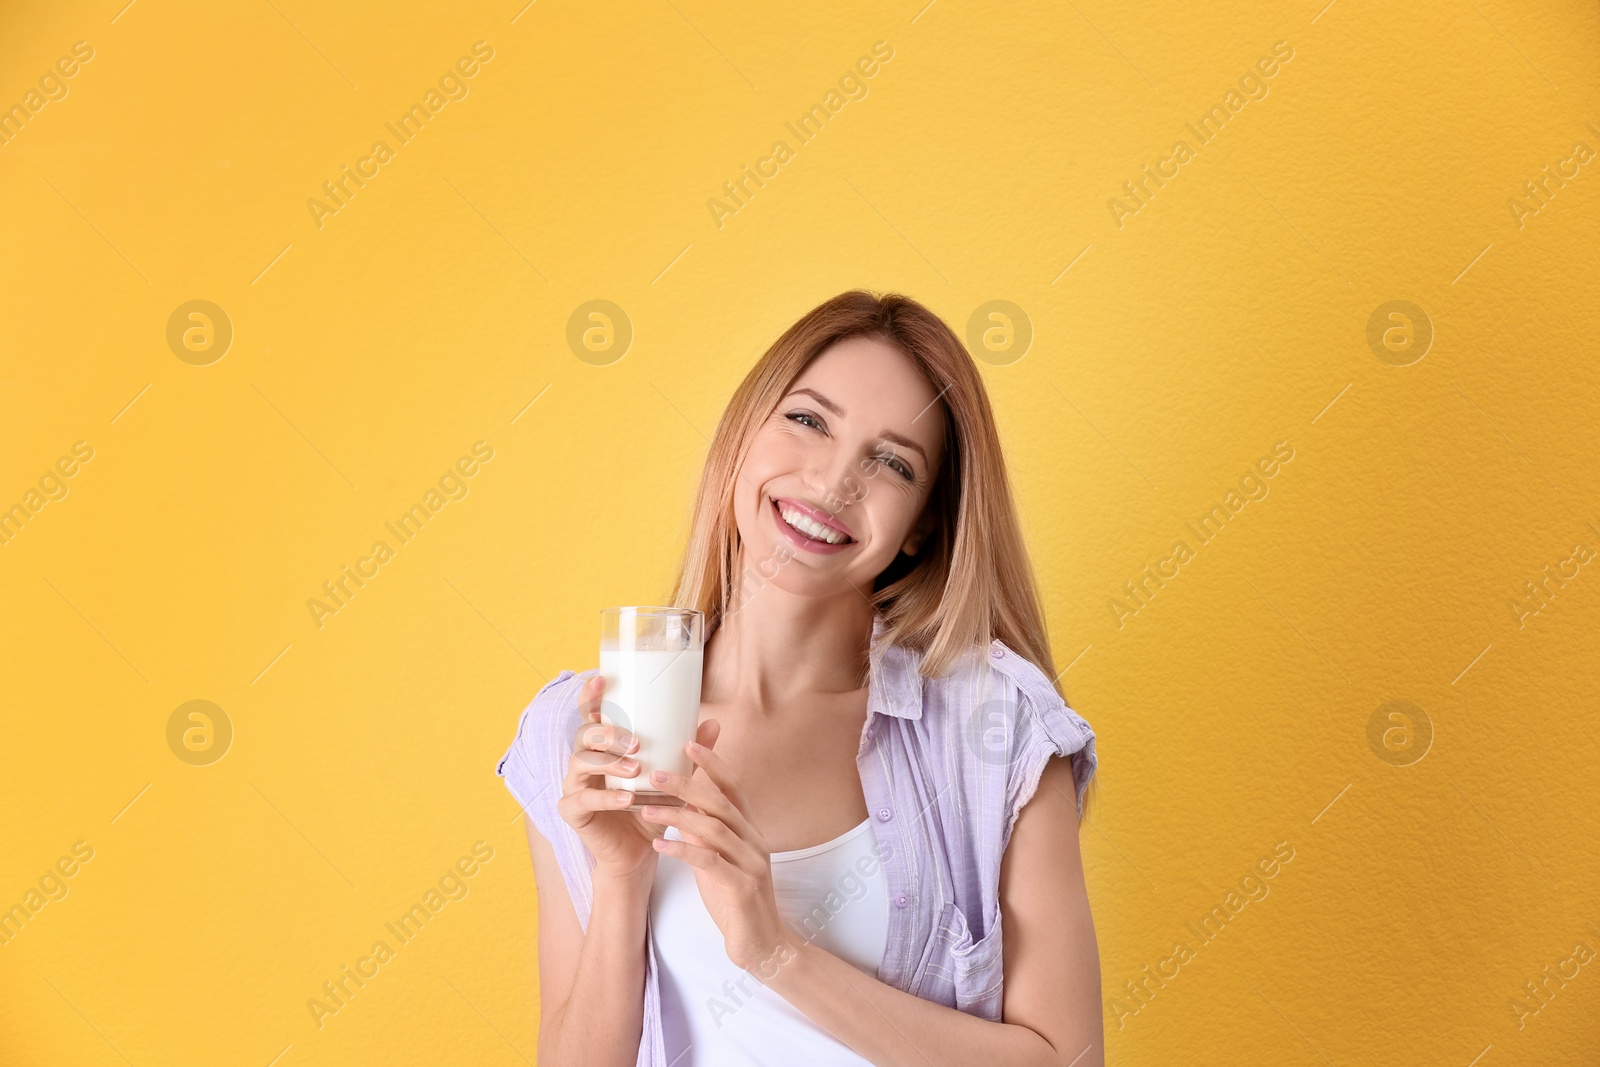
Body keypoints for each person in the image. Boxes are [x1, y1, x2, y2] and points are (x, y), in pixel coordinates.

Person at [496, 289, 1101, 1065]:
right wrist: (620, 878)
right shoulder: (573, 734)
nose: (832, 482)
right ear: (745, 433)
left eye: (891, 461)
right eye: (809, 420)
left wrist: (776, 950)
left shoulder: (995, 727)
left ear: (922, 521)